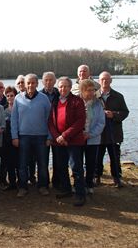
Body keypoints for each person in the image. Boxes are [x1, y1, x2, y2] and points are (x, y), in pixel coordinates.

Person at [11, 74, 51, 197]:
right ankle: (23, 187)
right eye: (28, 83)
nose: (30, 85)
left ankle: (43, 186)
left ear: (37, 84)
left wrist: (50, 137)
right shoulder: (18, 98)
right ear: (24, 84)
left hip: (41, 136)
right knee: (22, 163)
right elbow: (14, 119)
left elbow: (49, 119)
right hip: (24, 136)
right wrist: (14, 136)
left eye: (33, 83)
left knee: (43, 163)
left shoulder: (44, 99)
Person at [48, 77, 87, 206]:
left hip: (73, 141)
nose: (62, 89)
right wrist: (57, 137)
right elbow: (50, 122)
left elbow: (80, 122)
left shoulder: (77, 101)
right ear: (57, 88)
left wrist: (65, 136)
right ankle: (66, 189)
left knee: (76, 167)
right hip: (58, 141)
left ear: (70, 88)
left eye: (65, 86)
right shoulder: (54, 101)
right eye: (60, 87)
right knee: (61, 167)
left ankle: (80, 194)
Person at [96, 71, 129, 188]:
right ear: (99, 81)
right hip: (98, 133)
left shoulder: (118, 96)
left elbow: (125, 112)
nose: (104, 81)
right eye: (102, 79)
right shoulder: (94, 96)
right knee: (97, 157)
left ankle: (117, 178)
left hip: (114, 133)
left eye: (107, 79)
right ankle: (97, 177)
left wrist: (113, 115)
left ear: (111, 80)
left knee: (115, 157)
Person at [79, 79, 105, 194]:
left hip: (93, 139)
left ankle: (89, 184)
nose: (90, 93)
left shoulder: (98, 104)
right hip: (78, 139)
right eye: (87, 90)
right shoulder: (77, 103)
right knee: (77, 163)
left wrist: (90, 134)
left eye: (92, 90)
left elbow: (101, 123)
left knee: (90, 163)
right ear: (82, 91)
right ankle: (78, 184)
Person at [40, 71, 61, 190]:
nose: (48, 82)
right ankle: (44, 183)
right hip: (43, 132)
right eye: (46, 80)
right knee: (43, 160)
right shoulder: (38, 95)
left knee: (58, 159)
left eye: (51, 80)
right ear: (43, 82)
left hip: (58, 132)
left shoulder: (60, 94)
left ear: (55, 81)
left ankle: (57, 182)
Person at [3, 86, 19, 191]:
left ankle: (22, 183)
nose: (10, 98)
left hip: (18, 138)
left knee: (19, 162)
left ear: (16, 96)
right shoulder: (3, 109)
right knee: (9, 163)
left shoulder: (20, 108)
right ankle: (12, 183)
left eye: (12, 95)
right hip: (7, 140)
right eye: (7, 96)